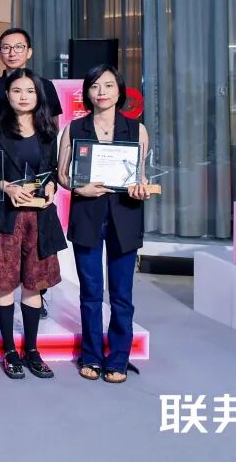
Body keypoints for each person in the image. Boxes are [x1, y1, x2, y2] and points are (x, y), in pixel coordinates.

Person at [58, 64, 150, 384]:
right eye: (95, 86)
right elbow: (62, 174)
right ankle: (92, 355)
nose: (102, 92)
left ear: (120, 90)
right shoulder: (74, 128)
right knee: (91, 291)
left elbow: (139, 175)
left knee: (122, 293)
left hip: (125, 213)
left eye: (109, 85)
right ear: (87, 92)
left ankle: (119, 358)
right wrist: (78, 188)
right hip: (87, 212)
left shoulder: (136, 129)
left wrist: (141, 187)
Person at [0, 69, 67, 381]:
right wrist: (6, 187)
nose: (23, 96)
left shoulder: (48, 131)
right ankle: (9, 350)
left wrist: (51, 186)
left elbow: (52, 171)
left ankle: (32, 349)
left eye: (30, 91)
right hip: (5, 217)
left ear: (38, 95)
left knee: (34, 284)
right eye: (17, 90)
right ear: (7, 95)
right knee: (4, 283)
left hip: (39, 219)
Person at [0, 27, 62, 320]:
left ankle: (36, 296)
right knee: (2, 268)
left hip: (36, 196)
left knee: (35, 267)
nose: (12, 52)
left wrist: (49, 182)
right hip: (3, 191)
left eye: (19, 46)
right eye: (6, 47)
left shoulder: (45, 87)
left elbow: (50, 139)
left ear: (29, 51)